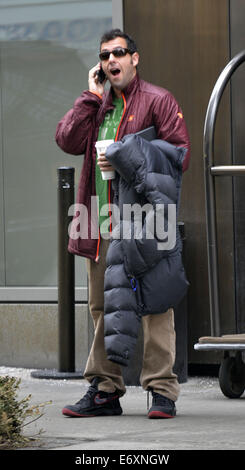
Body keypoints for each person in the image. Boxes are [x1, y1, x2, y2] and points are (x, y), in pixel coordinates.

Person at [55, 29, 190, 419]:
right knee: (103, 307)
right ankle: (105, 390)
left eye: (118, 53)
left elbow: (178, 154)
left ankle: (162, 391)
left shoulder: (158, 100)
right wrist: (90, 98)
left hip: (146, 222)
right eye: (104, 55)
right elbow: (66, 138)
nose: (111, 60)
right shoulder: (98, 104)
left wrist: (125, 158)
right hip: (99, 221)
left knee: (155, 305)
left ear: (135, 58)